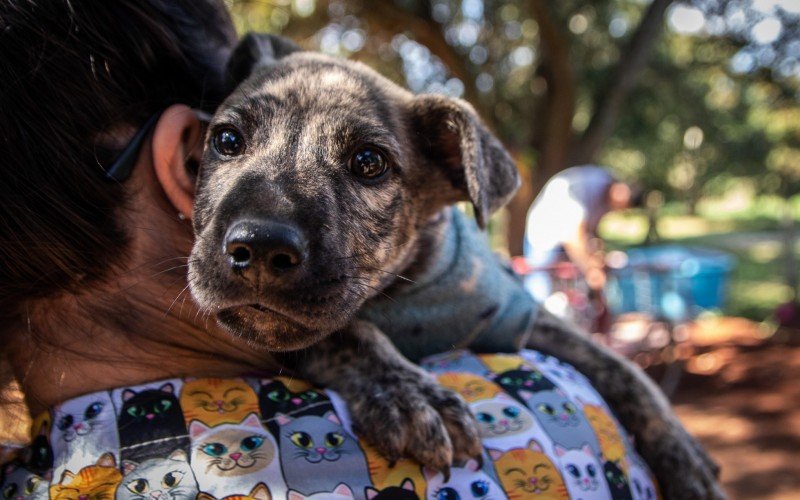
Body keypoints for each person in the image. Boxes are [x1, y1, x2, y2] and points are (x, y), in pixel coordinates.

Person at [0, 3, 719, 499]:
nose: (262, 233)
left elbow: (549, 331)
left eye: (367, 166)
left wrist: (668, 439)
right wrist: (359, 351)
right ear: (183, 155)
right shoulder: (557, 423)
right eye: (232, 140)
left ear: (447, 177)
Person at [523, 165, 640, 307]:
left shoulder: (605, 194)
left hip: (563, 238)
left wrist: (595, 257)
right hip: (544, 235)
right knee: (540, 285)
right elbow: (574, 238)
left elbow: (590, 232)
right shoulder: (583, 187)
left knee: (575, 293)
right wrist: (590, 269)